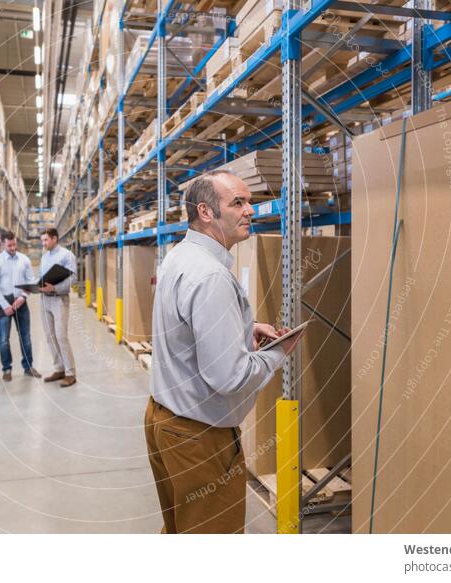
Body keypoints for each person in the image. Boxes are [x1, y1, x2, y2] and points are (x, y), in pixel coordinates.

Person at [145, 170, 305, 534]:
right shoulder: (212, 276)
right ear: (206, 212)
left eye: (249, 201)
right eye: (238, 203)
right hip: (199, 436)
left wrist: (243, 330)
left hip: (163, 421)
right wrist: (278, 353)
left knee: (179, 532)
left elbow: (185, 326)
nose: (251, 210)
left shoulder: (179, 256)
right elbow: (228, 377)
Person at [0, 231, 41, 382]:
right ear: (3, 243)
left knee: (26, 336)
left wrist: (23, 297)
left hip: (20, 302)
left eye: (14, 244)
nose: (12, 247)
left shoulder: (24, 260)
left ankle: (28, 367)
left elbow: (31, 281)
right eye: (9, 245)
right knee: (4, 338)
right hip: (3, 301)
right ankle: (7, 369)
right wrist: (5, 305)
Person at [38, 228, 77, 387]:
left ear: (55, 238)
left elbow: (73, 278)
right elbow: (42, 277)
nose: (44, 243)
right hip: (44, 300)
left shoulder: (67, 255)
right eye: (42, 240)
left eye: (46, 240)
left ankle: (70, 373)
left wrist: (55, 288)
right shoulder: (44, 256)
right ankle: (59, 368)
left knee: (61, 336)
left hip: (59, 299)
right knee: (50, 336)